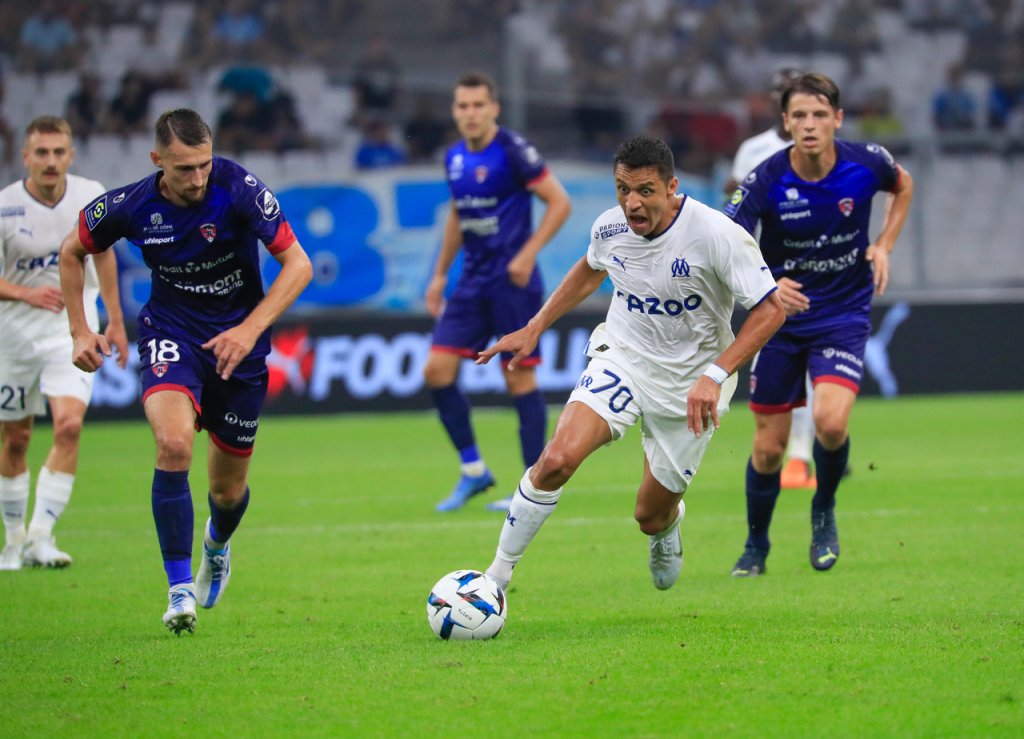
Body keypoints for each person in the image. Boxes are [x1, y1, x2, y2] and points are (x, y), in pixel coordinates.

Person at [478, 135, 785, 593]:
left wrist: (715, 375)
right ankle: (494, 580)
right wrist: (535, 325)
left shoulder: (716, 235)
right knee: (557, 460)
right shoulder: (609, 228)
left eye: (644, 191)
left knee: (648, 515)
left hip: (691, 385)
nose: (632, 203)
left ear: (672, 187)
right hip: (623, 358)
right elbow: (590, 267)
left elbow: (772, 309)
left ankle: (667, 526)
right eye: (623, 189)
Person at [59, 109, 313, 634]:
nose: (198, 179)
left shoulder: (238, 187)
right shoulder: (130, 205)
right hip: (170, 335)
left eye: (203, 165)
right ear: (157, 161)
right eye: (184, 169)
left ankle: (216, 547)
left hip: (239, 351)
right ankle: (178, 593)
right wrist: (81, 330)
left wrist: (249, 329)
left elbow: (299, 265)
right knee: (173, 446)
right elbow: (73, 250)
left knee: (226, 492)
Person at [724, 72, 914, 577]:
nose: (810, 125)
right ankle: (756, 545)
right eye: (800, 116)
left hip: (842, 315)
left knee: (831, 424)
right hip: (780, 323)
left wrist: (883, 245)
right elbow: (725, 243)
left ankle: (824, 510)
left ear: (837, 119)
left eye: (820, 115)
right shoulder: (766, 178)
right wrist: (765, 288)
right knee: (767, 450)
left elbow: (904, 185)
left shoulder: (866, 162)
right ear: (786, 123)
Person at [424, 72, 571, 513]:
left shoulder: (512, 150)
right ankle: (473, 471)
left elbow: (558, 202)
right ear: (455, 111)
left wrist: (527, 253)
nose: (470, 113)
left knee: (518, 377)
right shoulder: (453, 157)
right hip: (471, 282)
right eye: (462, 106)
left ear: (494, 108)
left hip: (513, 285)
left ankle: (532, 487)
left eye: (477, 105)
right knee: (436, 372)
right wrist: (438, 275)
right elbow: (457, 216)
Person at [0, 116, 127, 571]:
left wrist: (114, 319)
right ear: (25, 157)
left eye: (58, 153)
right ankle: (12, 542)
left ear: (70, 156)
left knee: (69, 426)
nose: (50, 162)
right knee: (15, 439)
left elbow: (105, 253)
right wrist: (27, 292)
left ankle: (41, 537)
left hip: (72, 329)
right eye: (41, 153)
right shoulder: (4, 207)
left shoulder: (90, 195)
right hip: (13, 335)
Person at [724, 68, 818, 490]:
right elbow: (736, 208)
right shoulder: (754, 151)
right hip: (768, 272)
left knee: (816, 363)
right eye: (784, 93)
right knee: (774, 361)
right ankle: (780, 447)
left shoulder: (828, 150)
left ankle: (802, 454)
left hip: (817, 271)